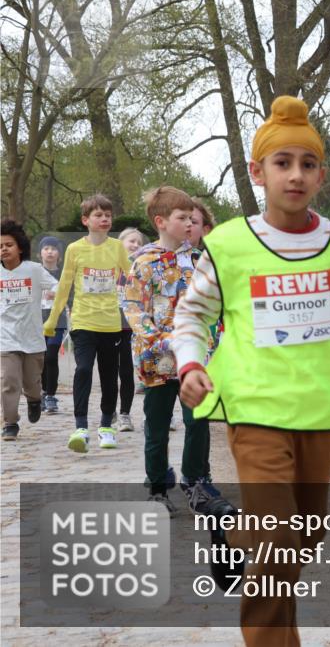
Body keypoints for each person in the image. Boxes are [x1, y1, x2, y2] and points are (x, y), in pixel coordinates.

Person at [175, 95, 330, 647]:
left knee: (304, 535)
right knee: (280, 538)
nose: (296, 174)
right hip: (254, 406)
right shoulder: (229, 243)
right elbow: (192, 314)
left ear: (321, 174)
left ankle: (232, 530)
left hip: (320, 410)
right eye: (282, 163)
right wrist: (190, 363)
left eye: (307, 164)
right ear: (258, 172)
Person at [123, 187, 233, 518]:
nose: (190, 223)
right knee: (156, 426)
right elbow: (132, 307)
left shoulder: (200, 260)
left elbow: (218, 302)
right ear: (161, 222)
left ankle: (197, 483)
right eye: (182, 218)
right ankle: (157, 488)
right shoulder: (143, 262)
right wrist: (159, 337)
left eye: (192, 218)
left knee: (198, 421)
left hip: (196, 360)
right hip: (156, 360)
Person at [44, 194, 131, 453]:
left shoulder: (117, 248)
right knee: (83, 370)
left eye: (108, 215)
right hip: (83, 320)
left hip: (111, 323)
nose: (104, 219)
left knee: (108, 375)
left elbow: (135, 277)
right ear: (86, 220)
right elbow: (64, 287)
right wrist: (52, 319)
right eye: (98, 215)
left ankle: (106, 426)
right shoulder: (74, 249)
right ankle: (80, 427)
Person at [2, 220, 58, 441]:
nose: (4, 249)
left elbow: (55, 285)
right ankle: (10, 423)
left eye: (9, 244)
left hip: (33, 338)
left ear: (21, 247)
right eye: (0, 246)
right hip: (5, 337)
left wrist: (51, 295)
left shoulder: (33, 270)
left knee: (32, 383)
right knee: (8, 380)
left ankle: (35, 400)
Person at [115, 227, 147, 432]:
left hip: (135, 326)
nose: (135, 245)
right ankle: (115, 414)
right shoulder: (111, 267)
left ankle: (130, 414)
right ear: (120, 243)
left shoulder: (143, 268)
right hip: (112, 324)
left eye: (139, 242)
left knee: (136, 372)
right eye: (131, 241)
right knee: (116, 372)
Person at [37, 236, 69, 414]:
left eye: (54, 248)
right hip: (37, 320)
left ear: (60, 254)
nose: (50, 251)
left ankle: (50, 396)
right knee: (41, 358)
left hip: (58, 321)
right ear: (40, 253)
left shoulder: (65, 273)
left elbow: (70, 295)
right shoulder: (34, 272)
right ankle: (42, 393)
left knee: (51, 357)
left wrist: (57, 296)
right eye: (46, 248)